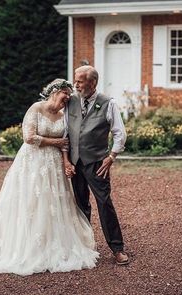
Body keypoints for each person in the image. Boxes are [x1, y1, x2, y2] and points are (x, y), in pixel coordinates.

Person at [0, 79, 99, 275]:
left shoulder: (63, 115)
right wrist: (56, 141)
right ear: (55, 92)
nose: (67, 99)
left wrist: (66, 161)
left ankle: (53, 243)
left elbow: (65, 143)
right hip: (32, 164)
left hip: (54, 167)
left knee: (54, 203)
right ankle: (24, 245)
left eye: (69, 96)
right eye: (65, 94)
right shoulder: (36, 108)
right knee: (31, 201)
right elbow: (29, 137)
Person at [63, 66, 130, 265]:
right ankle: (84, 247)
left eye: (80, 81)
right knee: (80, 204)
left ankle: (117, 248)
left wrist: (112, 156)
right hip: (75, 162)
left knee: (104, 203)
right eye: (75, 80)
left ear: (93, 83)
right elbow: (65, 131)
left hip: (97, 163)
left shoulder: (108, 103)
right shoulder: (71, 101)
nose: (75, 84)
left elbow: (120, 132)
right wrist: (66, 160)